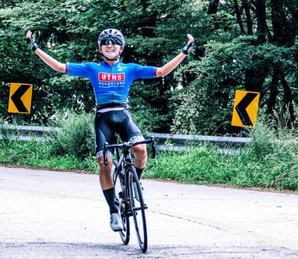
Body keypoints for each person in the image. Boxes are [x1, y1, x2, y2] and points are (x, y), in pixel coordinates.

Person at [26, 28, 194, 231]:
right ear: (100, 48)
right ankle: (113, 212)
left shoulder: (130, 69)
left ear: (121, 47)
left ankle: (134, 183)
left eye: (114, 42)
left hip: (123, 116)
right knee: (104, 162)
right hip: (103, 118)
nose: (110, 44)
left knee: (141, 150)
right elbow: (61, 67)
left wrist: (184, 52)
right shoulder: (92, 68)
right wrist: (36, 48)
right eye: (105, 42)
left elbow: (161, 72)